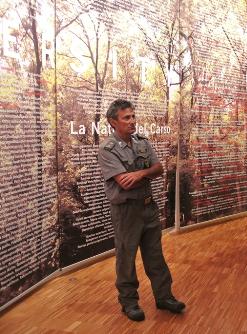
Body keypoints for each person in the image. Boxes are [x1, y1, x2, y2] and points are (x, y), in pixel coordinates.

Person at [97, 99, 185, 322]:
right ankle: (128, 302)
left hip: (148, 207)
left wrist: (139, 174)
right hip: (126, 212)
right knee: (126, 258)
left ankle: (164, 296)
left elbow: (159, 168)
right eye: (126, 118)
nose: (132, 121)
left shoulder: (142, 143)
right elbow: (124, 183)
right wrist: (145, 173)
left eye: (133, 116)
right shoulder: (107, 150)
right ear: (113, 122)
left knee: (155, 256)